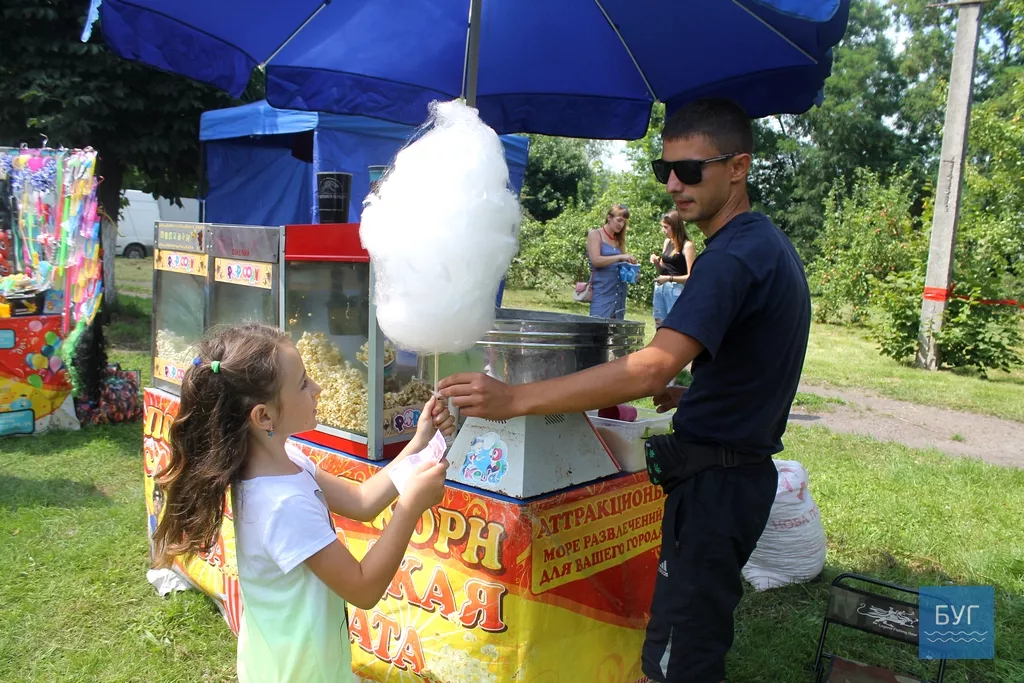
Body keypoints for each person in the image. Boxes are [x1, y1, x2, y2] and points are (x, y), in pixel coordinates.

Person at [438, 98, 811, 683]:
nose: (672, 185)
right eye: (663, 169)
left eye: (691, 171)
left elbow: (649, 368)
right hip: (738, 474)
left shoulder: (730, 258)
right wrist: (701, 397)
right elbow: (761, 361)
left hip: (716, 486)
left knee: (677, 657)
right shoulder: (768, 245)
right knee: (697, 633)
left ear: (738, 166)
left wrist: (513, 400)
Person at [150, 323, 456, 683]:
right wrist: (410, 507)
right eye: (302, 383)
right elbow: (363, 587)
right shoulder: (283, 506)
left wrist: (419, 442)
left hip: (287, 662)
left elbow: (362, 500)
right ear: (264, 416)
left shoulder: (283, 460)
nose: (318, 388)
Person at [587, 203, 637, 319]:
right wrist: (620, 257)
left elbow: (619, 265)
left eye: (624, 221)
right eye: (619, 220)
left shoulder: (619, 240)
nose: (621, 224)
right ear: (609, 217)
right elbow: (596, 260)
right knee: (597, 329)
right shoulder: (595, 234)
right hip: (602, 291)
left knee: (615, 334)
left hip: (619, 294)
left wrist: (631, 270)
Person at [649, 210, 696, 327]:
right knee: (659, 324)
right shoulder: (667, 242)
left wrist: (669, 279)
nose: (663, 230)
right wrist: (656, 262)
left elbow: (691, 276)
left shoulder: (687, 245)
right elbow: (662, 270)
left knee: (675, 325)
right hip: (661, 287)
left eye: (665, 227)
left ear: (674, 226)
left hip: (676, 289)